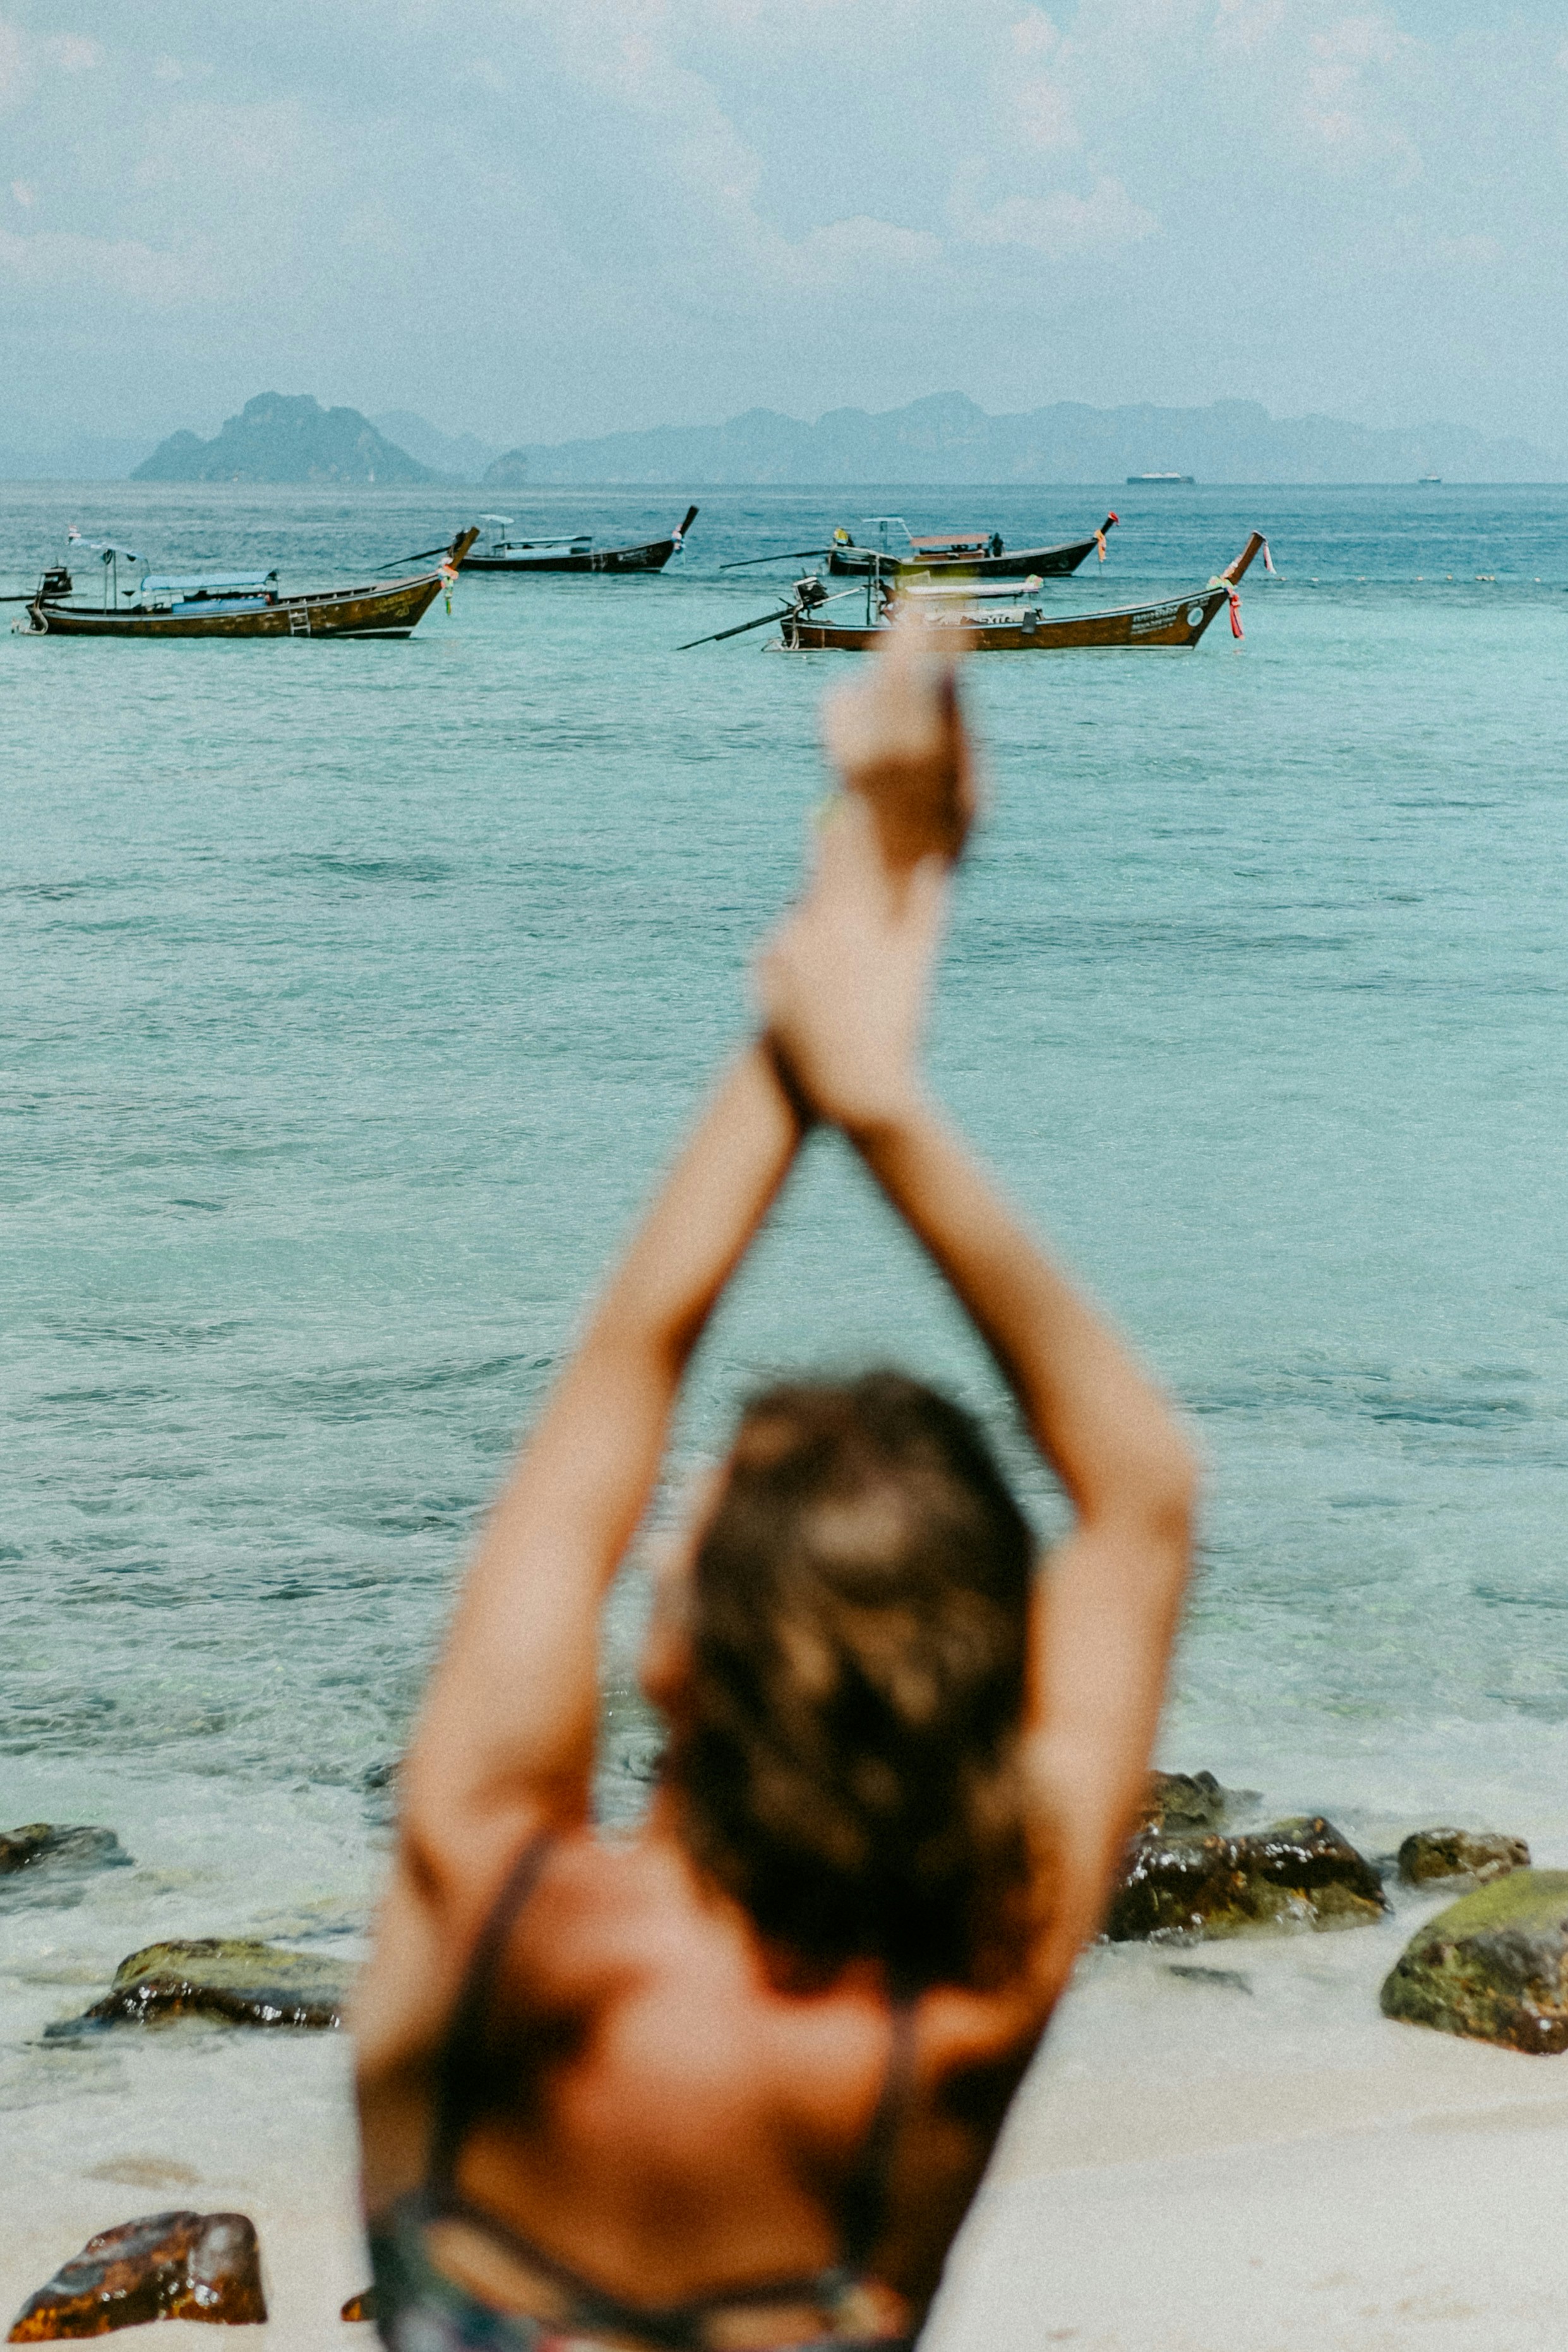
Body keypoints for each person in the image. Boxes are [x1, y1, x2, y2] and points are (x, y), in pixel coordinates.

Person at [354, 627, 1197, 2352]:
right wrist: (882, 1096)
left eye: (676, 1533)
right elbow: (1141, 1498)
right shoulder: (945, 2021)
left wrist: (822, 983)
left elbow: (622, 1364)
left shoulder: (486, 1896)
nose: (646, 1533)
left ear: (668, 1653)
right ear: (969, 1689)